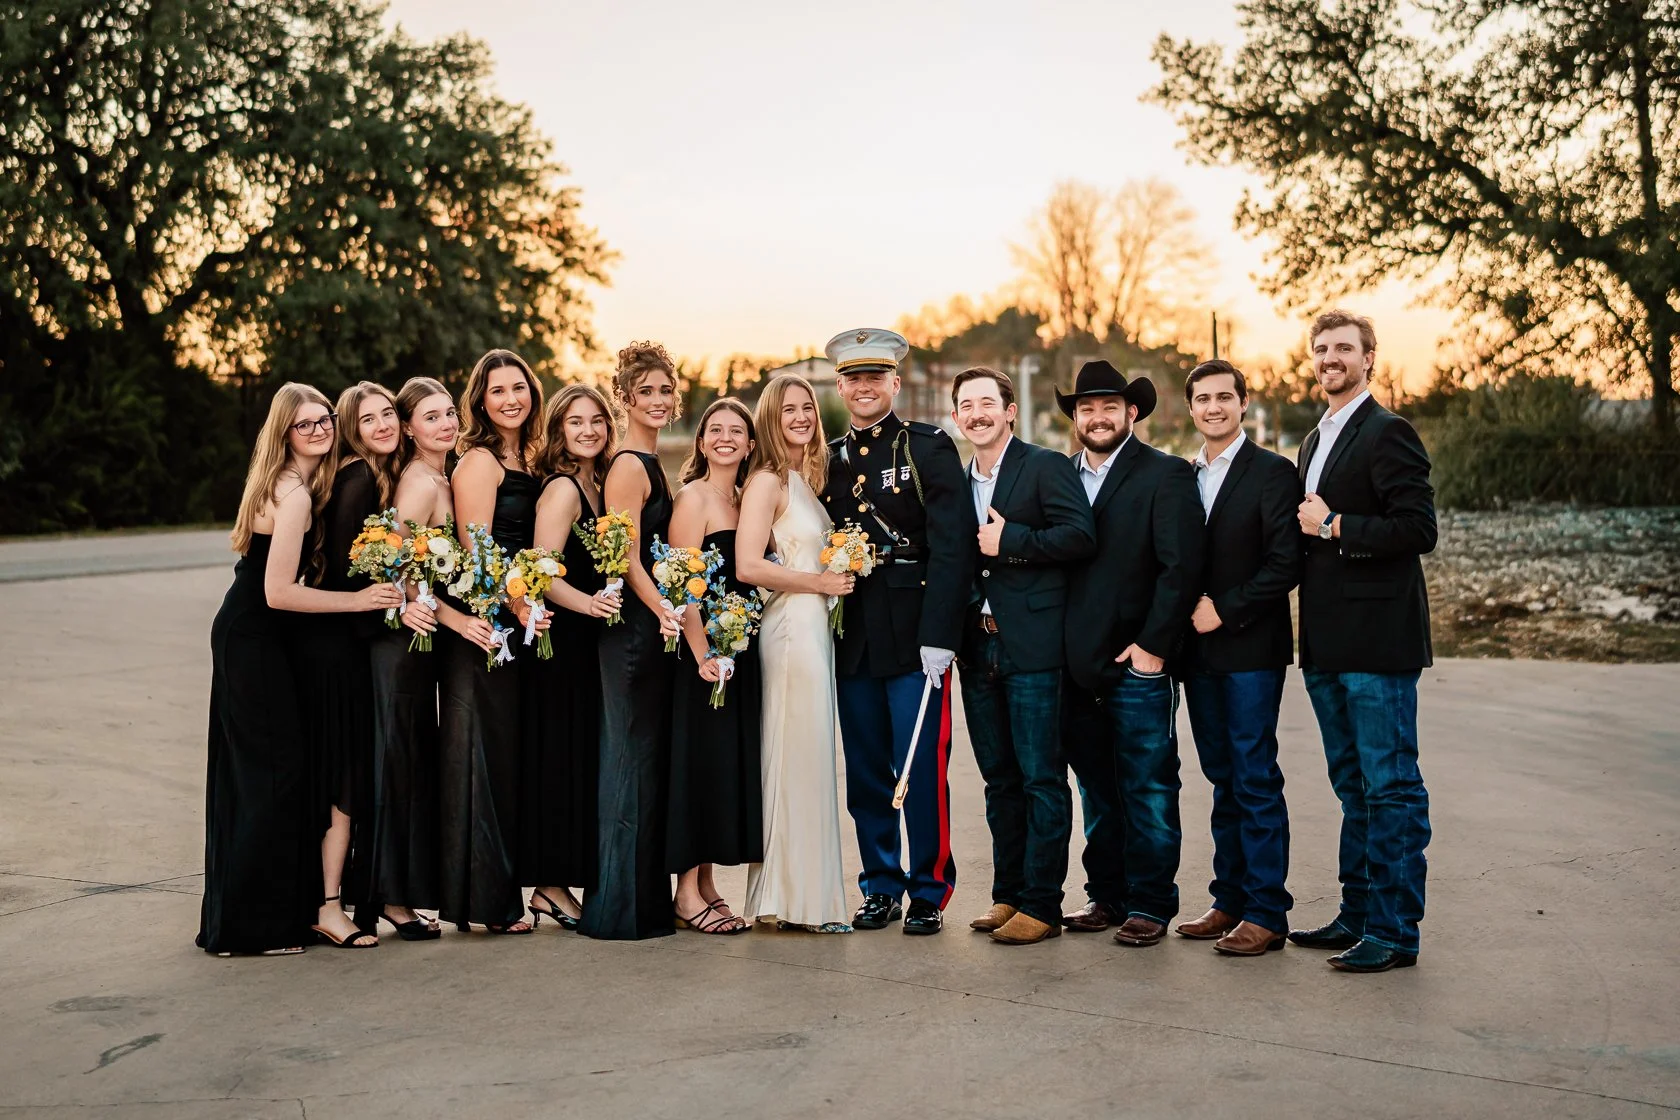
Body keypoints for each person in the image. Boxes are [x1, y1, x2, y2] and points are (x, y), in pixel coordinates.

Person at [199, 383, 402, 955]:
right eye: (304, 425)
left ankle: (239, 917)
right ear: (283, 432)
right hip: (256, 639)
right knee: (274, 777)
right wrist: (360, 601)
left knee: (257, 777)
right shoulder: (293, 496)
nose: (318, 431)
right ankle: (250, 929)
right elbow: (279, 593)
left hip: (256, 635)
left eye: (323, 423)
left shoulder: (292, 483)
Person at [1288, 310, 1436, 973]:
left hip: (1378, 644)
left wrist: (1336, 524)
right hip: (1323, 644)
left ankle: (1395, 930)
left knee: (1391, 786)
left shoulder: (1388, 432)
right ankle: (1357, 912)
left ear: (1369, 358)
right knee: (1353, 788)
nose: (1330, 358)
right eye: (1321, 349)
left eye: (1343, 348)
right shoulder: (1312, 440)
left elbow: (1417, 528)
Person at [818, 328, 974, 936]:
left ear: (894, 383)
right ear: (841, 386)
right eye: (853, 378)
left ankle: (929, 888)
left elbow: (954, 545)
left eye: (874, 377)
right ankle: (880, 885)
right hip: (853, 629)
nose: (863, 387)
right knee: (865, 768)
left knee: (923, 769)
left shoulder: (927, 446)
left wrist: (942, 635)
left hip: (915, 632)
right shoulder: (827, 456)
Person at [1059, 360, 1204, 946]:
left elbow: (1181, 568)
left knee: (1147, 786)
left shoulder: (1165, 475)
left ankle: (1150, 901)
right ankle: (1107, 895)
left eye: (1108, 408)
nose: (1097, 418)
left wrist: (1153, 648)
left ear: (1131, 413)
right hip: (1077, 665)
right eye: (1086, 408)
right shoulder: (1062, 476)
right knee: (1096, 788)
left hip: (1138, 663)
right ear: (1074, 417)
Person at [948, 367, 1095, 946]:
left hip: (1033, 647)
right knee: (998, 779)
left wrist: (1014, 543)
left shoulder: (1045, 466)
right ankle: (1007, 894)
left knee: (1041, 779)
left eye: (988, 402)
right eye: (967, 405)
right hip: (976, 646)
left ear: (1010, 411)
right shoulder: (958, 481)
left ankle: (1042, 903)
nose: (978, 413)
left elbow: (1080, 536)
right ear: (957, 417)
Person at [360, 376, 495, 941]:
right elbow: (395, 566)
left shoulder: (444, 475)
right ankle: (389, 899)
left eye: (449, 414)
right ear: (410, 429)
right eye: (431, 417)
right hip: (401, 645)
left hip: (425, 645)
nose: (445, 424)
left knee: (415, 762)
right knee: (397, 764)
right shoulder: (418, 483)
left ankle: (408, 891)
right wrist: (458, 619)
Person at [1174, 359, 1302, 956]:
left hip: (1250, 646)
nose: (1213, 408)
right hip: (1197, 654)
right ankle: (1228, 899)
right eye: (1202, 399)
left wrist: (1225, 609)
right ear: (1191, 408)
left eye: (1224, 397)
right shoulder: (1184, 474)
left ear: (1243, 403)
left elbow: (1285, 564)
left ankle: (1267, 910)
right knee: (1221, 775)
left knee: (1253, 775)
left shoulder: (1273, 473)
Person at [737, 374, 855, 933]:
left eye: (807, 407)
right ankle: (791, 900)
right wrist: (820, 584)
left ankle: (800, 898)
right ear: (770, 417)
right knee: (792, 755)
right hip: (790, 630)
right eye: (788, 410)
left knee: (809, 758)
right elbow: (748, 566)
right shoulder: (765, 480)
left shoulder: (803, 477)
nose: (801, 417)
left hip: (815, 629)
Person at [440, 348, 548, 935]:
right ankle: (489, 902)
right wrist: (518, 605)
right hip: (489, 625)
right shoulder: (479, 462)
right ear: (480, 401)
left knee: (509, 761)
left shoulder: (531, 457)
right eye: (498, 390)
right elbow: (476, 548)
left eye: (519, 387)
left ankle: (508, 890)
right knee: (483, 762)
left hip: (525, 619)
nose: (511, 398)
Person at [581, 341, 683, 941]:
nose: (658, 401)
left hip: (648, 624)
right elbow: (624, 556)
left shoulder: (651, 460)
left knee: (643, 759)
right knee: (628, 759)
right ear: (623, 397)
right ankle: (620, 909)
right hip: (632, 631)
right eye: (645, 391)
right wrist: (663, 609)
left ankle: (642, 903)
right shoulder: (626, 465)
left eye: (665, 391)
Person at [297, 380, 399, 948]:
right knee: (343, 778)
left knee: (344, 774)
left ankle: (335, 899)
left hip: (341, 641)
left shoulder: (364, 474)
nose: (382, 424)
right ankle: (329, 905)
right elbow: (342, 572)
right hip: (337, 647)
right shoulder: (357, 477)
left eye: (388, 414)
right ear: (351, 430)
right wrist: (389, 612)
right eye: (368, 420)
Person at [520, 384, 622, 931]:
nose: (587, 431)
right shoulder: (562, 489)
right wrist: (592, 604)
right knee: (559, 760)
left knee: (581, 759)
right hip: (561, 643)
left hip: (587, 645)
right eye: (575, 422)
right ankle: (550, 886)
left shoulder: (599, 484)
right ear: (559, 430)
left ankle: (557, 883)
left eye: (597, 421)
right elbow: (540, 571)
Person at [664, 398, 762, 934]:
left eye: (737, 432)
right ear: (701, 442)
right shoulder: (694, 498)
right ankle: (684, 893)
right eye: (715, 430)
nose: (726, 438)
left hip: (737, 654)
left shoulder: (746, 499)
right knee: (697, 769)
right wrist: (704, 654)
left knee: (721, 767)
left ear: (750, 444)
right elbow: (679, 585)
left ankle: (705, 884)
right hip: (701, 657)